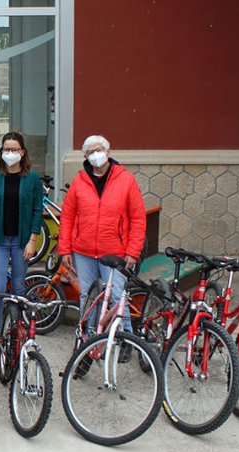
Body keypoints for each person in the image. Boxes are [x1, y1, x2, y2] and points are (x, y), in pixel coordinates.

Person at [58, 134, 146, 361]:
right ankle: (88, 340)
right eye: (90, 152)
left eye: (99, 150)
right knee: (88, 297)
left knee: (117, 295)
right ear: (85, 156)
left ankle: (125, 338)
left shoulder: (126, 180)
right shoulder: (79, 181)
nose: (95, 155)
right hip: (83, 251)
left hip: (115, 252)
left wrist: (132, 252)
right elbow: (67, 217)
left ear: (108, 151)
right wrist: (65, 249)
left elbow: (137, 219)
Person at [0, 131, 43, 349]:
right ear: (1, 151)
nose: (10, 153)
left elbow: (36, 210)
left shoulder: (32, 178)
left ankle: (18, 330)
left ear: (22, 152)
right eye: (7, 149)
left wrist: (33, 239)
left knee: (18, 287)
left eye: (14, 149)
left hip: (22, 240)